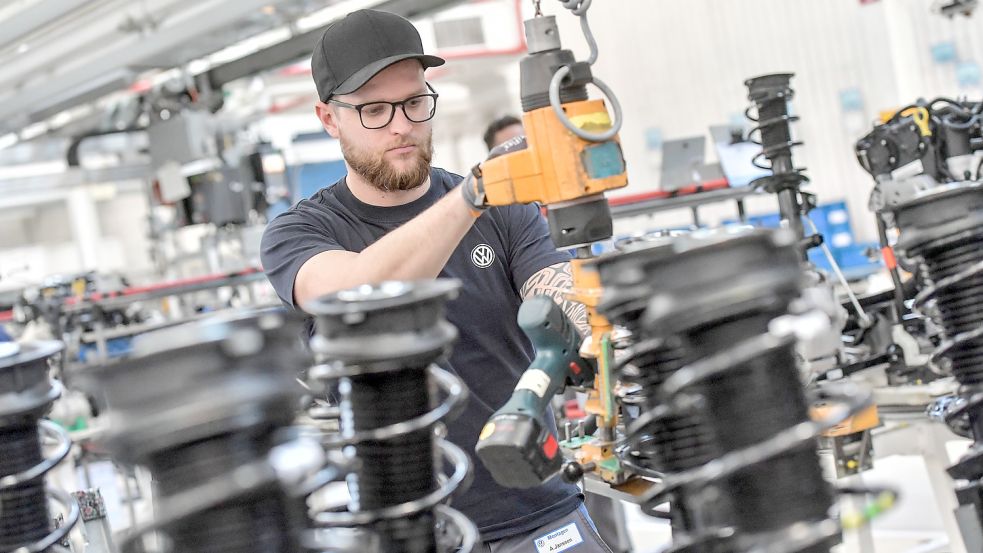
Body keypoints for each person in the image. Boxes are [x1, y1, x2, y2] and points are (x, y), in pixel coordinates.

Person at [260, 9, 613, 553]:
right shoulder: (302, 232)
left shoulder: (504, 206)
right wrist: (472, 195)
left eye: (414, 102)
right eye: (374, 110)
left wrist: (579, 318)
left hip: (538, 512)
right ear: (329, 119)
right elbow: (352, 294)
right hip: (409, 530)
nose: (401, 124)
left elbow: (552, 287)